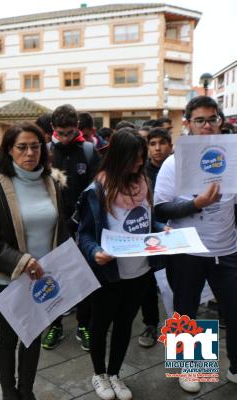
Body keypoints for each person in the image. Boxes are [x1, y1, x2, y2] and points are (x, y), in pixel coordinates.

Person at [0, 123, 68, 400]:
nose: (29, 153)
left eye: (35, 146)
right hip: (8, 277)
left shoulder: (53, 183)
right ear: (10, 150)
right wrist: (21, 260)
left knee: (34, 335)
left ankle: (26, 391)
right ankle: (8, 392)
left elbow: (61, 228)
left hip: (44, 277)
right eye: (22, 147)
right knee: (8, 336)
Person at [154, 96, 237, 393]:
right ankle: (190, 368)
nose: (207, 125)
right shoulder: (174, 161)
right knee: (186, 309)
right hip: (187, 250)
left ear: (220, 121)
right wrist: (196, 204)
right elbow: (160, 208)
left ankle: (235, 367)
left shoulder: (233, 156)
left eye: (212, 119)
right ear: (187, 123)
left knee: (234, 309)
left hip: (227, 249)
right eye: (199, 120)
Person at [77, 128, 165, 400]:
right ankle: (99, 374)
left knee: (126, 324)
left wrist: (163, 229)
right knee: (100, 326)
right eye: (136, 158)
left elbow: (148, 221)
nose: (141, 162)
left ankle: (115, 373)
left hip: (139, 272)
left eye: (142, 157)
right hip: (109, 274)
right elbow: (84, 233)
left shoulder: (144, 182)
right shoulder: (98, 189)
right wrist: (95, 253)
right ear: (120, 157)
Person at [43, 104, 100, 351]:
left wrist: (82, 218)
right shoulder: (45, 152)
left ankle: (83, 324)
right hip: (53, 226)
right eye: (61, 133)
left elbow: (96, 189)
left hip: (83, 227)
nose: (66, 138)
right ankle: (54, 324)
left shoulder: (88, 151)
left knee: (83, 277)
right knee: (53, 276)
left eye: (70, 132)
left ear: (77, 128)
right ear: (53, 129)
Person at [137, 127, 173, 348]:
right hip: (151, 235)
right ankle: (151, 324)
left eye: (162, 143)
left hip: (179, 233)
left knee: (182, 286)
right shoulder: (140, 173)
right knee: (149, 282)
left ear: (170, 145)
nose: (157, 148)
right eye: (152, 144)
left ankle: (179, 326)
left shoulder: (182, 167)